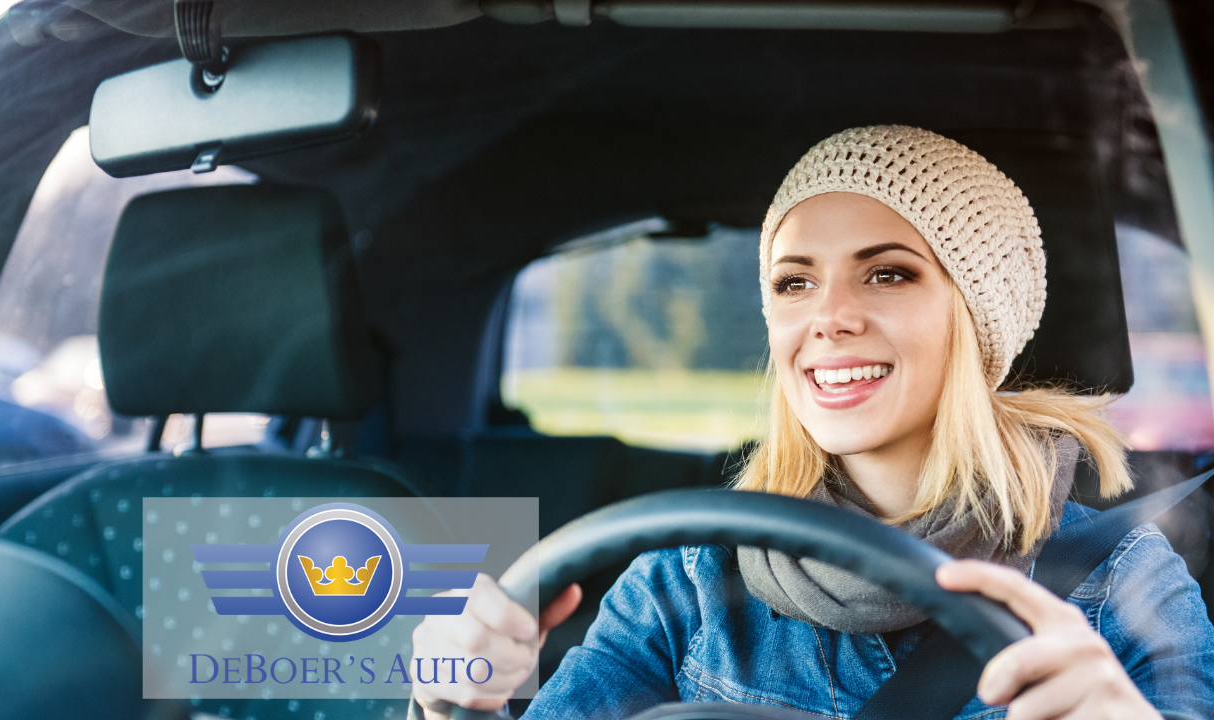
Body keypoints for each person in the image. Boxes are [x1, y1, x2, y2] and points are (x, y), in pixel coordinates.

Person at [410, 126, 1214, 720]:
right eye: (795, 284)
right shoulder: (686, 579)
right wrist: (455, 708)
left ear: (978, 318)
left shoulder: (1118, 585)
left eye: (889, 273)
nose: (828, 317)